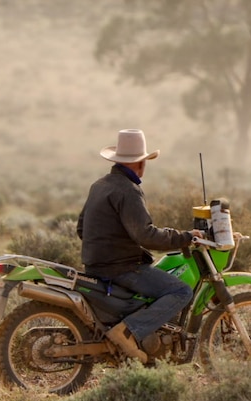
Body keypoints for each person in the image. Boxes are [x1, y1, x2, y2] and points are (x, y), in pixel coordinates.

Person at [77, 129, 203, 362]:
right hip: (121, 269)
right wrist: (185, 237)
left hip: (95, 266)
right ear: (141, 163)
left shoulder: (100, 185)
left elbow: (81, 229)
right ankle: (128, 331)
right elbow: (146, 236)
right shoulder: (128, 190)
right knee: (181, 290)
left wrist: (107, 247)